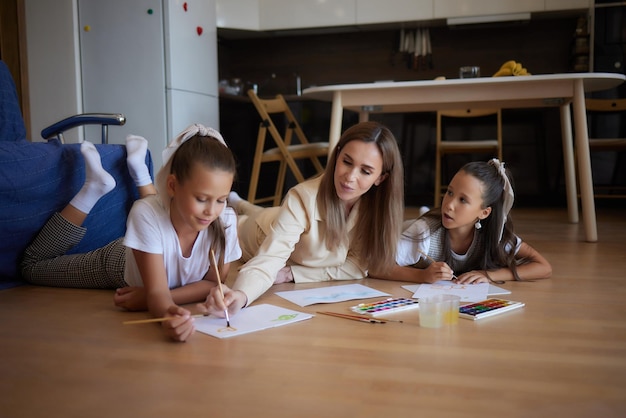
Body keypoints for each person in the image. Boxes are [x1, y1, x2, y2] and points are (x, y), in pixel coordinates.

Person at [20, 124, 241, 342]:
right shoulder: (145, 213)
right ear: (172, 185)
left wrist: (159, 298)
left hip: (150, 245)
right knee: (31, 267)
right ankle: (92, 189)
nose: (211, 211)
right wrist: (165, 312)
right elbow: (157, 293)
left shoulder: (226, 220)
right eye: (201, 199)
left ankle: (139, 174)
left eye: (221, 200)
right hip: (118, 263)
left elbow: (213, 283)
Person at [201, 121, 405, 317]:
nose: (350, 177)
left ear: (381, 178)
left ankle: (240, 201)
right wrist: (241, 295)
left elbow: (356, 267)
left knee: (269, 211)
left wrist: (292, 274)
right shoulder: (302, 196)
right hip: (256, 232)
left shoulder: (375, 209)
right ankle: (236, 206)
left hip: (281, 223)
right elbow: (270, 259)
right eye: (346, 162)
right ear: (337, 155)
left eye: (365, 171)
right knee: (242, 220)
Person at [387, 159, 551, 284]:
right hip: (404, 231)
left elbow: (543, 267)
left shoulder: (494, 235)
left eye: (463, 200)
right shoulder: (423, 234)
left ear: (484, 212)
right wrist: (421, 275)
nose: (449, 205)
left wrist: (489, 275)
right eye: (449, 192)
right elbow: (377, 267)